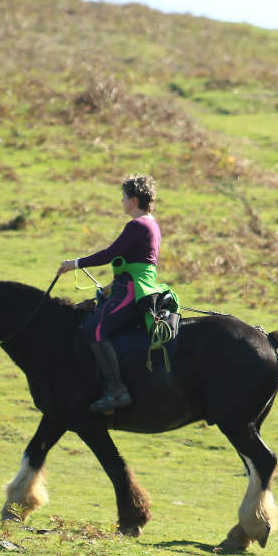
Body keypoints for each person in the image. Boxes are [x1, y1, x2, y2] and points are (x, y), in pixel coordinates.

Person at [56, 174, 163, 413]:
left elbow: (110, 254)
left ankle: (116, 391)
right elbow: (136, 263)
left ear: (133, 200)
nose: (121, 201)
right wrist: (110, 286)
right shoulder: (151, 224)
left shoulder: (137, 225)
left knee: (94, 330)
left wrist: (75, 264)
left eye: (124, 197)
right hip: (132, 285)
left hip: (131, 290)